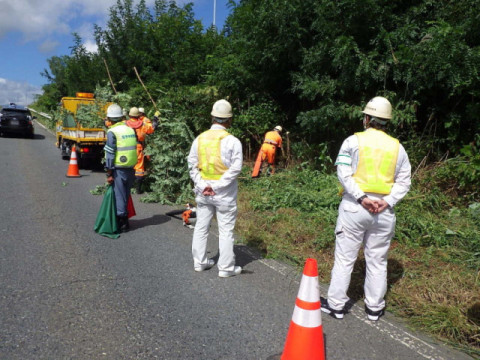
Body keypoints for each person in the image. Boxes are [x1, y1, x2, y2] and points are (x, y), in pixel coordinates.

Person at [321, 96, 411, 321]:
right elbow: (404, 181)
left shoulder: (353, 141)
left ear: (367, 119)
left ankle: (336, 306)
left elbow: (343, 173)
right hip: (383, 211)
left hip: (355, 207)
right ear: (387, 122)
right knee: (378, 261)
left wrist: (362, 197)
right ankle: (374, 308)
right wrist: (387, 201)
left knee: (344, 258)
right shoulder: (398, 148)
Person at [187, 99, 243, 278]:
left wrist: (204, 185)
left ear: (212, 117)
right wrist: (216, 186)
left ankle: (200, 262)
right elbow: (235, 168)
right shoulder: (233, 141)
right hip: (224, 193)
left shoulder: (199, 138)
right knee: (226, 230)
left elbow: (192, 165)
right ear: (229, 120)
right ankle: (225, 268)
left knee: (201, 226)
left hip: (203, 192)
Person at [104, 104, 138, 232]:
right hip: (131, 167)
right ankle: (125, 219)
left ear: (109, 119)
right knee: (125, 194)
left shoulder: (112, 132)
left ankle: (122, 223)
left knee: (119, 195)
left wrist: (109, 172)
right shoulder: (129, 129)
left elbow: (110, 154)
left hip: (119, 168)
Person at [126, 107, 155, 194]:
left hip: (127, 147)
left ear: (129, 115)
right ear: (139, 115)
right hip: (138, 147)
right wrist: (156, 120)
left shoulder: (125, 124)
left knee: (128, 166)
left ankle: (128, 186)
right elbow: (151, 129)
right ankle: (138, 189)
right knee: (139, 168)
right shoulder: (142, 124)